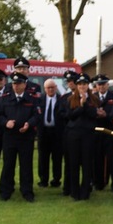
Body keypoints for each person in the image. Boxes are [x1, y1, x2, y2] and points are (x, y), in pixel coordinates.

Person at [0, 72, 40, 202]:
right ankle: (6, 190)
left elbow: (37, 115)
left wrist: (29, 124)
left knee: (26, 165)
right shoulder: (5, 97)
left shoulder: (32, 98)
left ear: (24, 84)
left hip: (26, 136)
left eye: (19, 83)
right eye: (14, 83)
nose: (16, 86)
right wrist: (6, 122)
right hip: (10, 136)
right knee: (8, 164)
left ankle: (27, 191)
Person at [62, 73, 98, 201]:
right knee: (73, 163)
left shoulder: (93, 99)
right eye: (80, 84)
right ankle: (74, 192)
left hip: (88, 135)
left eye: (84, 84)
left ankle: (85, 192)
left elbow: (94, 114)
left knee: (87, 164)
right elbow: (69, 116)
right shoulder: (70, 99)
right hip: (74, 135)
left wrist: (85, 104)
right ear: (76, 86)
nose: (82, 86)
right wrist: (81, 106)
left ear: (88, 85)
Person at [38, 78, 63, 188]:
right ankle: (43, 180)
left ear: (56, 88)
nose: (51, 89)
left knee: (57, 157)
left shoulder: (62, 100)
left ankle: (56, 180)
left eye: (53, 87)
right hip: (43, 132)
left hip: (57, 132)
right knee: (43, 157)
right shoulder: (40, 100)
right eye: (48, 88)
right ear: (45, 89)